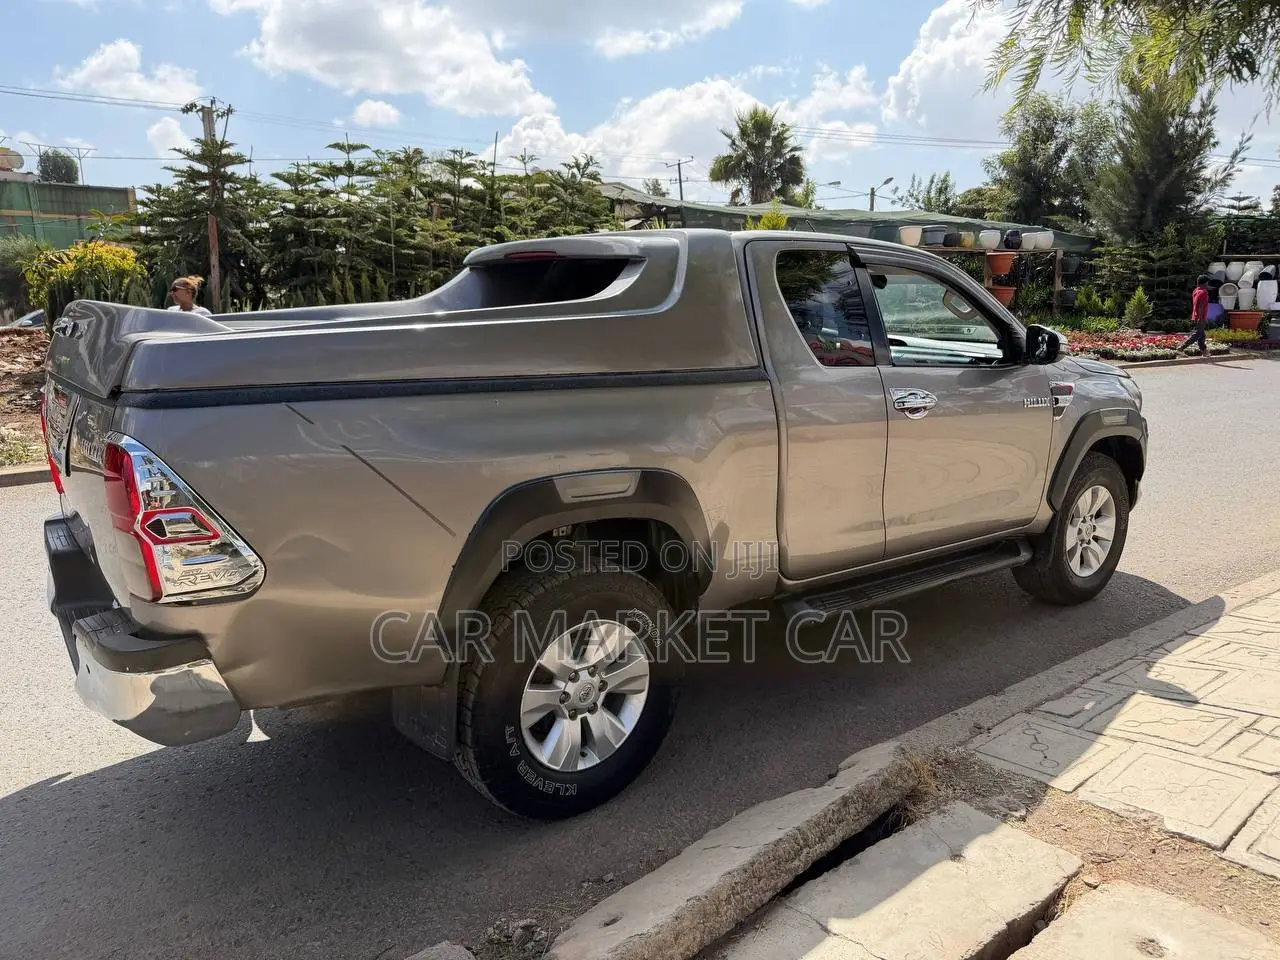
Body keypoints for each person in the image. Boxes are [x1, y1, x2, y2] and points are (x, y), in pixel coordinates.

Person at [1180, 275, 1211, 356]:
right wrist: (1200, 318)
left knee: (1202, 335)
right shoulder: (1203, 292)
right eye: (1207, 283)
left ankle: (1204, 351)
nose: (1208, 285)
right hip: (1200, 317)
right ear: (1205, 283)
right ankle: (1181, 348)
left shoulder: (1196, 290)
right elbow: (1200, 306)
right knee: (1197, 334)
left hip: (1196, 315)